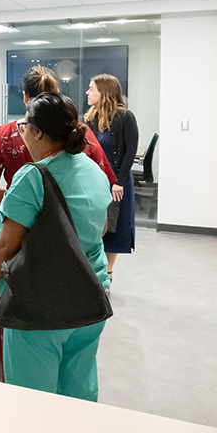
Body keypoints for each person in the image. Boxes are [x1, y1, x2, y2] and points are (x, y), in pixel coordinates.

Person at [0, 92, 111, 401]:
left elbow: (7, 246)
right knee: (77, 393)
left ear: (38, 131)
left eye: (25, 125)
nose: (21, 131)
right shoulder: (94, 171)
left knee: (32, 402)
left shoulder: (33, 177)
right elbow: (101, 228)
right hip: (92, 298)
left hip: (42, 306)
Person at [0, 66, 115, 204]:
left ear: (25, 96)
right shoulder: (79, 131)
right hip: (73, 219)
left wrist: (12, 199)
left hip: (22, 219)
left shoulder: (4, 134)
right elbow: (102, 180)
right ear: (57, 96)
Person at [84, 74, 139, 279]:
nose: (87, 92)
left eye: (92, 89)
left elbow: (129, 153)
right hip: (95, 182)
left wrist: (118, 182)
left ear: (104, 92)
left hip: (117, 183)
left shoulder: (125, 117)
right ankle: (95, 271)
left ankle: (107, 273)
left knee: (114, 228)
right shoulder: (90, 118)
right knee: (96, 227)